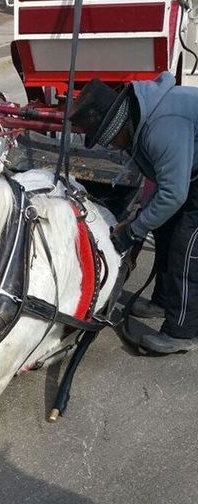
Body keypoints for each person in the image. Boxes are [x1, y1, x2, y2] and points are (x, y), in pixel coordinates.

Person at [70, 73, 198, 354]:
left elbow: (174, 193)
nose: (113, 147)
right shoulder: (144, 120)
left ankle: (182, 331)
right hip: (190, 174)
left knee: (185, 247)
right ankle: (164, 301)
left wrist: (133, 231)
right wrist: (138, 219)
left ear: (119, 127)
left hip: (191, 180)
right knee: (165, 229)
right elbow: (159, 181)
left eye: (110, 141)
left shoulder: (161, 128)